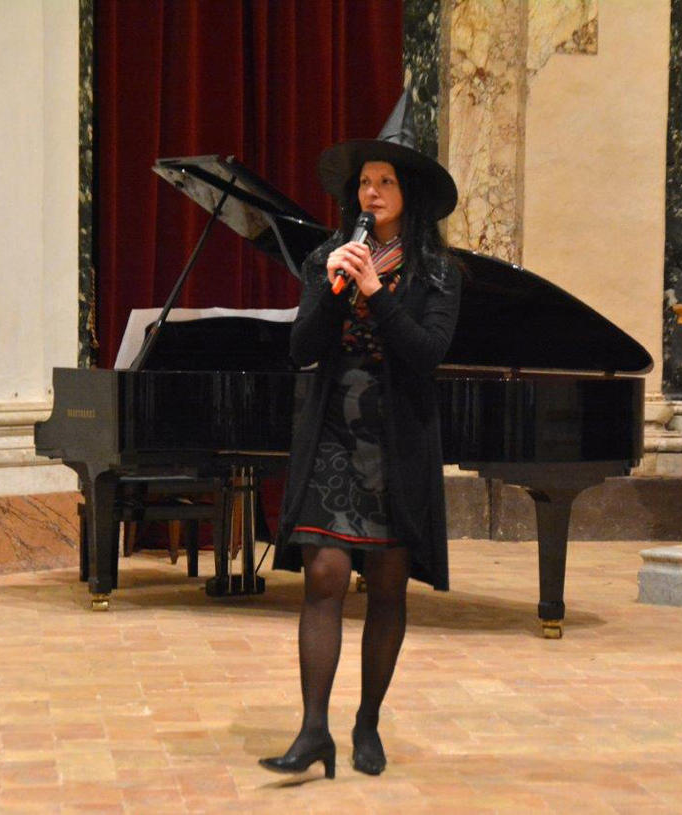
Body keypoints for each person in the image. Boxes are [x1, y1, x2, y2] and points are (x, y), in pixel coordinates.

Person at [259, 96, 460, 779]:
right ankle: (313, 730)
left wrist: (377, 292)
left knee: (387, 583)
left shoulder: (438, 274)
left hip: (396, 441)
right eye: (366, 182)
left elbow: (424, 355)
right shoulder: (328, 257)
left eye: (386, 182)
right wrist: (335, 288)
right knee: (323, 572)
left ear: (409, 196)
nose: (371, 193)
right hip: (333, 433)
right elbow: (302, 348)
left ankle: (366, 720)